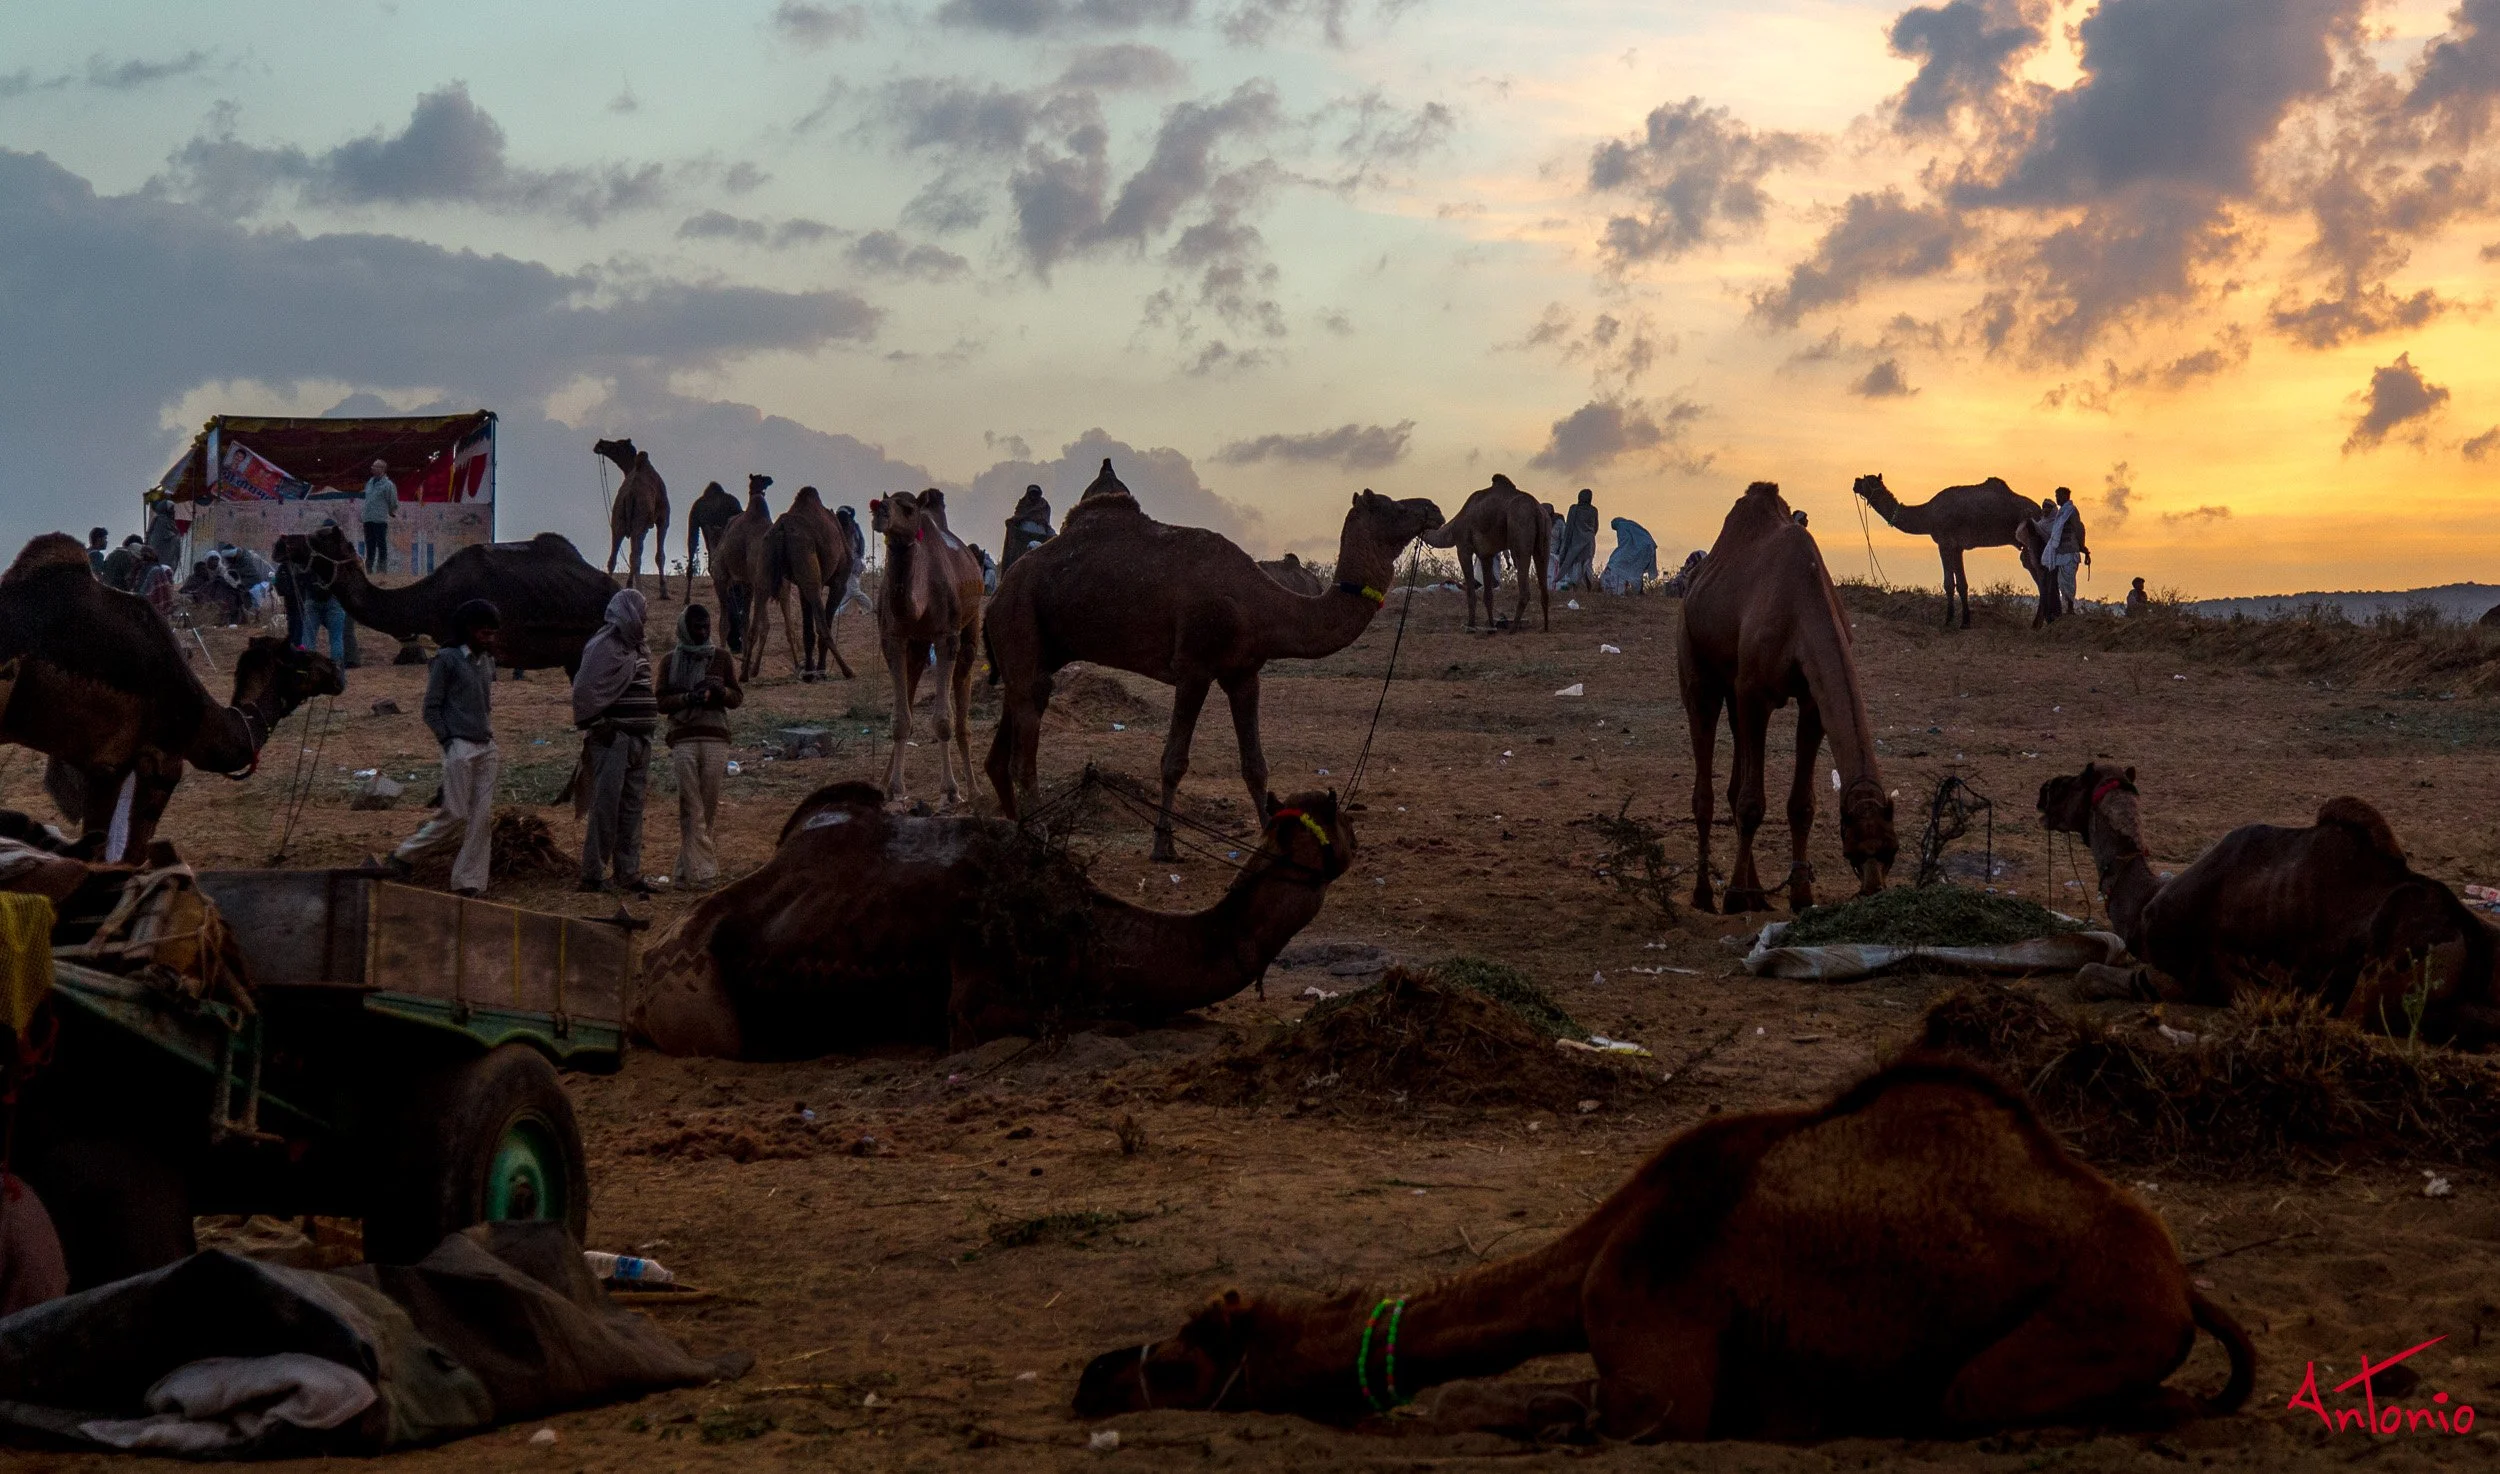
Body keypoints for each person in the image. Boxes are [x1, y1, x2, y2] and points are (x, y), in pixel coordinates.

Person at [385, 600, 502, 897]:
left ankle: (469, 883)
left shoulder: (488, 661)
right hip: (459, 746)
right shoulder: (447, 660)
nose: (489, 639)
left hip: (486, 746)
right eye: (484, 633)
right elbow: (431, 708)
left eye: (492, 634)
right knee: (455, 814)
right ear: (469, 631)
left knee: (482, 819)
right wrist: (448, 741)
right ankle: (403, 856)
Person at [572, 589, 658, 895]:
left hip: (640, 741)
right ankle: (593, 874)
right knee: (606, 807)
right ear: (628, 613)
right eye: (642, 610)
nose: (645, 617)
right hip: (614, 740)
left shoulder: (638, 648)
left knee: (632, 808)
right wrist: (598, 724)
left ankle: (628, 872)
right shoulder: (603, 646)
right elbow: (583, 691)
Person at [657, 604, 743, 888]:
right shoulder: (670, 661)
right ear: (684, 628)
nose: (703, 631)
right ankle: (704, 873)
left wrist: (720, 692)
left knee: (705, 807)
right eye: (697, 627)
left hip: (716, 737)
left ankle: (684, 872)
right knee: (690, 805)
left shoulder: (720, 657)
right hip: (683, 737)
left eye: (706, 626)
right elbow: (661, 702)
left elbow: (736, 697)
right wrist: (686, 699)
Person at [300, 522, 350, 664]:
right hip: (334, 600)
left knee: (308, 638)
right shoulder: (340, 554)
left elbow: (302, 574)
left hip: (311, 600)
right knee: (336, 638)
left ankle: (308, 668)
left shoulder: (311, 552)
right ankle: (337, 668)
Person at [1001, 484, 1055, 571]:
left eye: (1036, 493)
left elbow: (1046, 522)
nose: (1033, 496)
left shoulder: (1044, 505)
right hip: (1022, 540)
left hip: (1041, 536)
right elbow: (1017, 518)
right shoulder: (1023, 505)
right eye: (1032, 493)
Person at [1600, 516, 1657, 594]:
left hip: (1641, 549)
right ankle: (1640, 591)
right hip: (1649, 547)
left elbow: (1624, 542)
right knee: (1638, 570)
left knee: (1624, 567)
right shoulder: (1630, 523)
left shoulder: (1621, 526)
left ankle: (1638, 591)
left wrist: (1620, 553)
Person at [1557, 488, 1600, 590]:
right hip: (1589, 541)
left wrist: (1566, 543)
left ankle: (1575, 587)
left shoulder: (1574, 509)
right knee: (1587, 563)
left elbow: (1569, 527)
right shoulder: (1593, 510)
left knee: (1575, 563)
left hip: (1576, 541)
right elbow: (1595, 527)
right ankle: (1588, 587)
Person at [833, 505, 872, 615]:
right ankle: (842, 611)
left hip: (852, 563)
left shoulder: (851, 529)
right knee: (848, 590)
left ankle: (870, 607)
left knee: (853, 590)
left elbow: (855, 547)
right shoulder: (853, 528)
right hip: (853, 562)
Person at [362, 459, 397, 573]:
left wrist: (392, 511)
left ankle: (382, 570)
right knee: (369, 544)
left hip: (380, 519)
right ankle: (369, 569)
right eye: (372, 466)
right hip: (368, 518)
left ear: (382, 469)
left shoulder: (388, 485)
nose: (372, 468)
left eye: (375, 466)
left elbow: (392, 500)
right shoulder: (369, 482)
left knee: (381, 545)